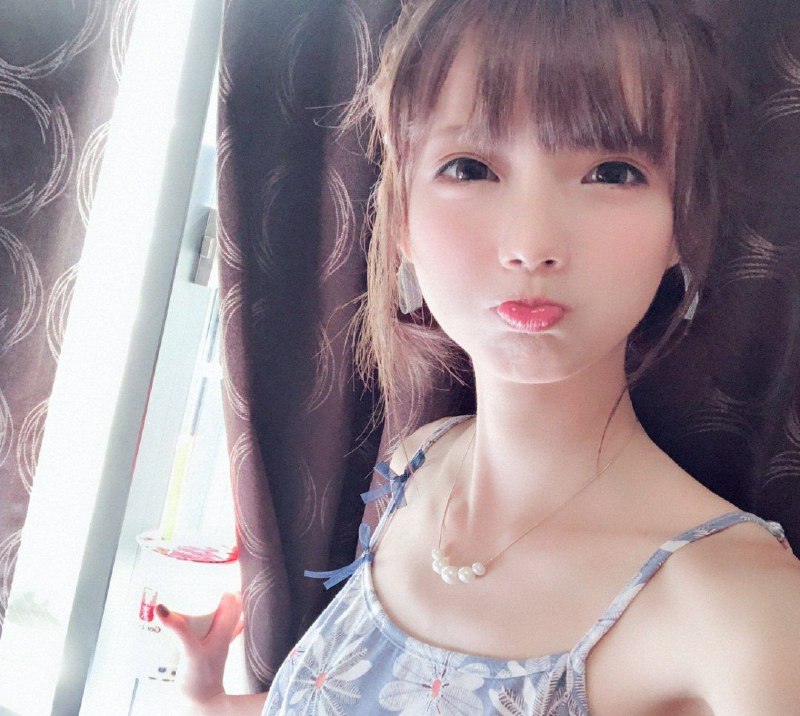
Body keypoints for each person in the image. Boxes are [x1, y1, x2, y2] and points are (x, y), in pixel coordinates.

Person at [158, 0, 800, 713]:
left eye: (612, 173)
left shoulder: (741, 614)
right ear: (401, 216)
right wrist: (211, 698)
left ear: (682, 218)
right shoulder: (417, 466)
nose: (531, 244)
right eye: (469, 168)